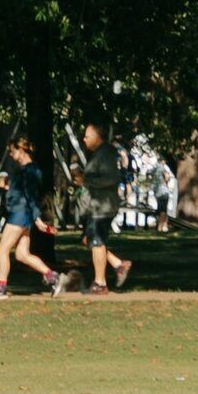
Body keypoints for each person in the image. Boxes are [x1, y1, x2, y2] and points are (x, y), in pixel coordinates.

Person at [0, 137, 64, 296]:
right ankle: (53, 277)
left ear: (21, 150)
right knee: (22, 254)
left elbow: (31, 196)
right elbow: (22, 191)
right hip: (24, 215)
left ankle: (1, 289)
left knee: (2, 249)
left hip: (20, 214)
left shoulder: (30, 170)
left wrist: (37, 219)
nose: (10, 154)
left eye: (12, 151)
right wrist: (7, 186)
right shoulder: (28, 170)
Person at [75, 123, 136, 292]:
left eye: (87, 136)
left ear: (97, 137)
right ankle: (118, 265)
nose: (84, 139)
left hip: (102, 206)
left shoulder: (106, 154)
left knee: (96, 241)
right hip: (95, 206)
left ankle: (100, 283)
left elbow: (111, 179)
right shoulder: (98, 154)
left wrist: (86, 181)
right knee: (88, 239)